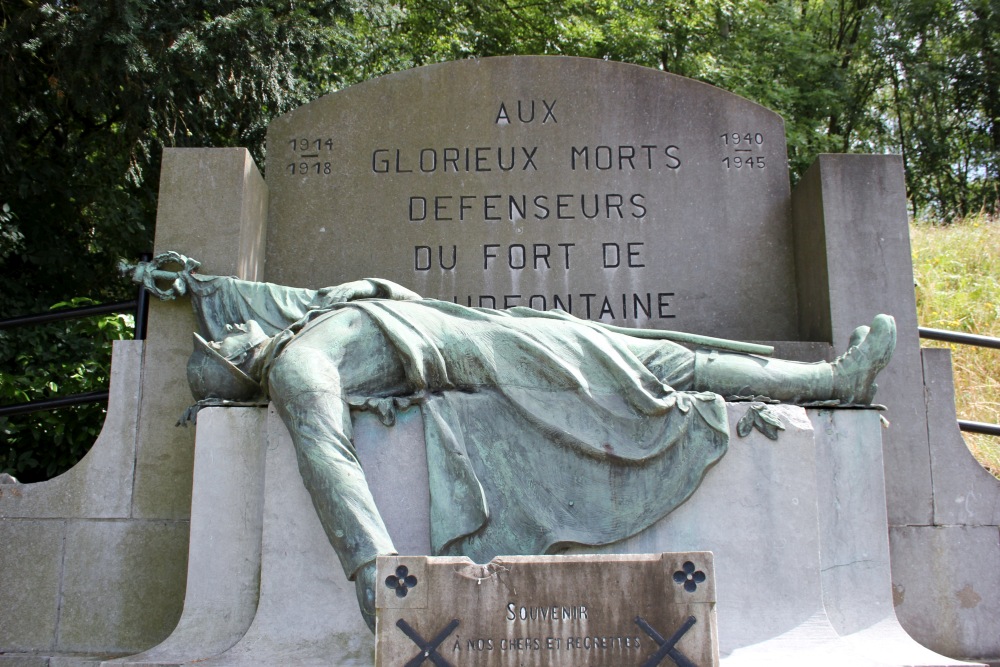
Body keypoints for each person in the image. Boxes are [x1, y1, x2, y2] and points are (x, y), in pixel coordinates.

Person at [129, 252, 896, 632]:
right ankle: (830, 381)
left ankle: (831, 379)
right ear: (246, 360)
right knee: (651, 368)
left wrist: (188, 282)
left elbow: (252, 294)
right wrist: (371, 565)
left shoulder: (313, 318)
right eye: (227, 341)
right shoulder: (301, 364)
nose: (234, 325)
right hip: (491, 363)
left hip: (490, 337)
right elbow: (325, 447)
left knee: (650, 358)